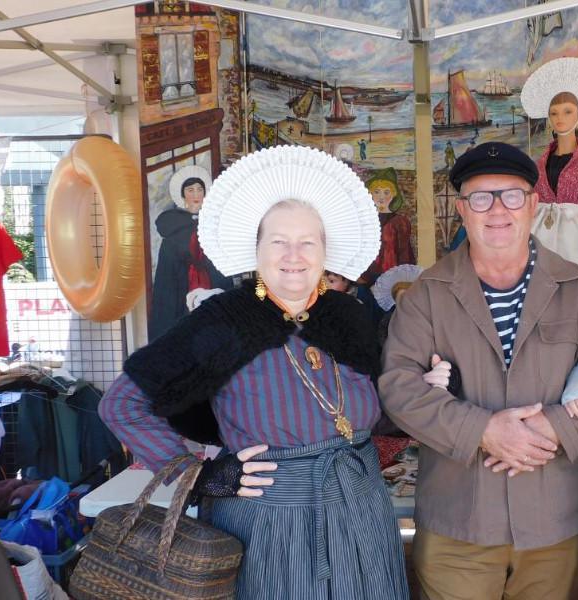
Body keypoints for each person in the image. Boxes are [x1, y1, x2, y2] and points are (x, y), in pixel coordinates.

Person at [99, 146, 408, 599]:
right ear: (256, 248)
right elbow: (122, 404)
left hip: (366, 514)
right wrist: (198, 476)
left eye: (308, 242)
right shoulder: (223, 319)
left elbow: (374, 412)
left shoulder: (350, 318)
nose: (294, 255)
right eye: (278, 241)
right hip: (270, 523)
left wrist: (426, 386)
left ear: (325, 250)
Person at [379, 142, 578, 600]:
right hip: (459, 521)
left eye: (512, 196)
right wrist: (482, 430)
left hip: (552, 521)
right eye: (481, 198)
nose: (497, 210)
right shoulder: (426, 296)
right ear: (463, 209)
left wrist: (552, 427)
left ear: (533, 205)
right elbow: (400, 387)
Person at [520, 57, 578, 286]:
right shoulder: (541, 161)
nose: (560, 118)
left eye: (567, 111)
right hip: (541, 235)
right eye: (554, 113)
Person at [149, 165, 231, 341]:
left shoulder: (214, 224)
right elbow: (167, 274)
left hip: (214, 287)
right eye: (190, 190)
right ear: (183, 194)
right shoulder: (172, 229)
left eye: (200, 189)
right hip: (180, 291)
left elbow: (222, 261)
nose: (196, 194)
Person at [361, 167, 415, 284]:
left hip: (391, 277)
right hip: (365, 277)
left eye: (386, 192)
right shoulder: (364, 221)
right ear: (370, 194)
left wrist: (403, 278)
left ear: (394, 194)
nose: (381, 197)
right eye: (377, 192)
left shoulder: (399, 222)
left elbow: (404, 252)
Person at [371, 264, 423, 344]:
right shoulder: (389, 318)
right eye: (399, 298)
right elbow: (384, 340)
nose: (404, 300)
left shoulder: (424, 316)